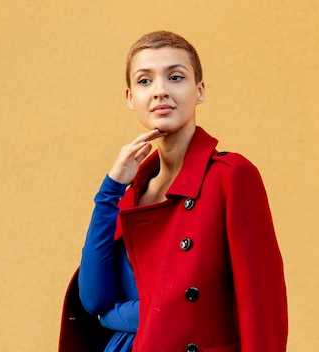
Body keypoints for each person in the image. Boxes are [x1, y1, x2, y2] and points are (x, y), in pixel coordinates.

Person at [59, 31, 288, 352]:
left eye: (176, 77)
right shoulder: (131, 191)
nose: (160, 91)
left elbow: (261, 306)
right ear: (129, 98)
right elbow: (95, 299)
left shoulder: (231, 177)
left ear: (200, 91)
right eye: (144, 81)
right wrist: (110, 190)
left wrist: (123, 315)